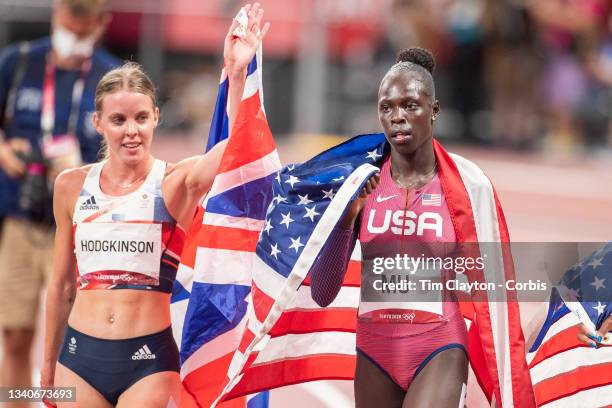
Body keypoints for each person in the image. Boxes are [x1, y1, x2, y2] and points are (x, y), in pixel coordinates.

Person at [41, 4, 269, 407]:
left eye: (141, 118)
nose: (131, 131)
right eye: (118, 120)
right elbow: (60, 287)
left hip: (148, 361)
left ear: (156, 118)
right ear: (98, 123)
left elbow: (236, 147)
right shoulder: (70, 186)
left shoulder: (175, 182)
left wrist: (237, 76)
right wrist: (46, 371)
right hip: (77, 358)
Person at [308, 47, 533, 407]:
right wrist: (348, 216)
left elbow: (494, 289)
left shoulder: (467, 186)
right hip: (373, 354)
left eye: (410, 105)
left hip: (438, 348)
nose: (397, 117)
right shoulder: (361, 183)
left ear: (434, 110)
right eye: (387, 107)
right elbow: (322, 292)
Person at [0, 0, 117, 398]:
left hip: (78, 228)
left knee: (70, 340)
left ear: (102, 24)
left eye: (84, 32)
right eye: (70, 25)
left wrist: (81, 165)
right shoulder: (18, 63)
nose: (74, 39)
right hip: (20, 218)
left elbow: (129, 152)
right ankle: (17, 405)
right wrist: (4, 151)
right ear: (55, 14)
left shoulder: (110, 76)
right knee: (15, 335)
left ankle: (64, 405)